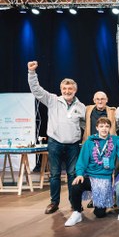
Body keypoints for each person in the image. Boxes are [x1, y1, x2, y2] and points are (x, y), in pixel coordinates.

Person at [27, 61, 86, 214]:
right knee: (55, 175)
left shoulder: (81, 107)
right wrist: (32, 73)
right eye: (65, 88)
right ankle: (54, 203)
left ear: (75, 90)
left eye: (70, 88)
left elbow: (86, 126)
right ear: (61, 89)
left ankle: (75, 204)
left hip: (73, 145)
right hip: (55, 143)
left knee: (73, 175)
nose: (67, 91)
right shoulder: (52, 100)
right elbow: (36, 90)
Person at [65, 117, 118, 226]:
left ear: (109, 128)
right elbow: (81, 161)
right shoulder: (89, 142)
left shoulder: (115, 140)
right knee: (76, 185)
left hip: (104, 180)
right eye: (101, 126)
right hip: (91, 177)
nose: (104, 129)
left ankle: (97, 200)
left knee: (99, 214)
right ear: (97, 128)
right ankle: (77, 212)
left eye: (107, 126)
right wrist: (79, 174)